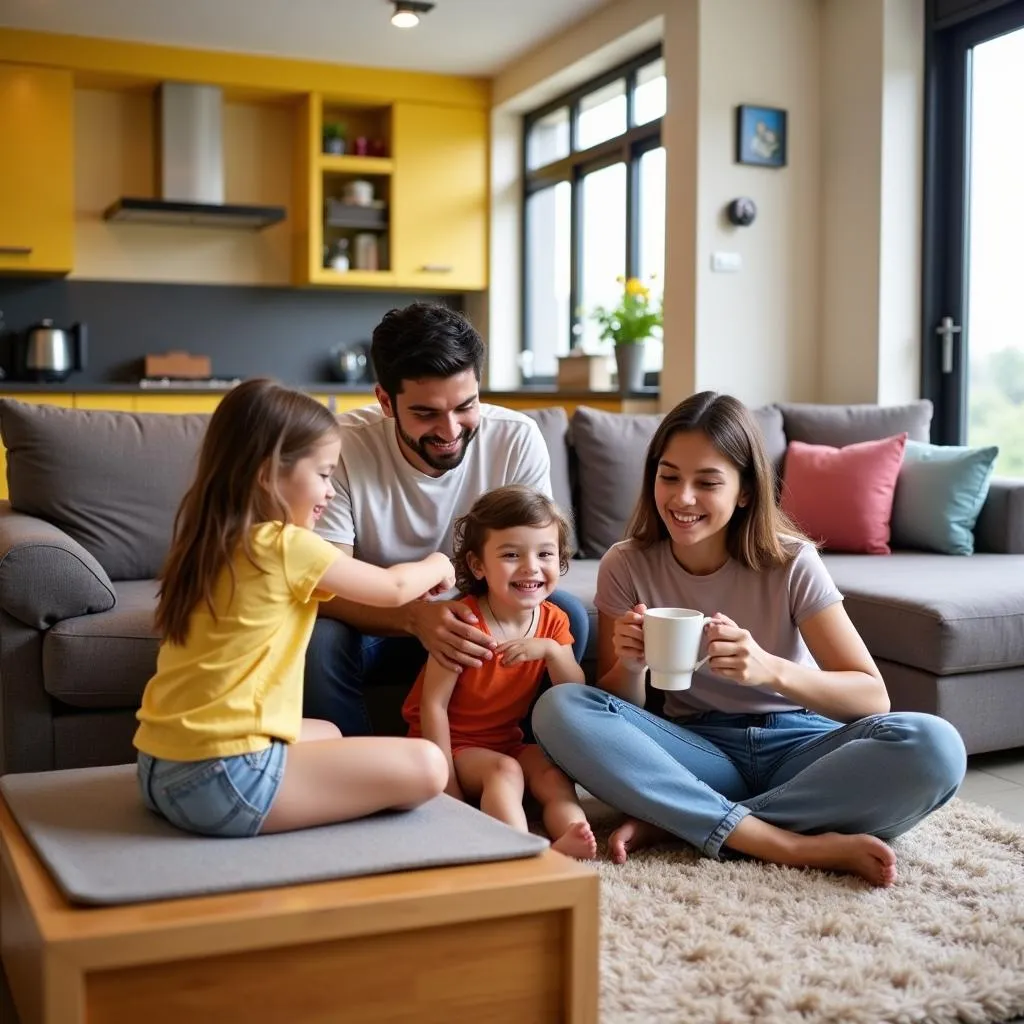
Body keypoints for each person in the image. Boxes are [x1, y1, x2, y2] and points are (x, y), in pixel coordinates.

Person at [532, 391, 967, 886]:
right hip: (695, 747)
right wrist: (631, 668)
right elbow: (617, 707)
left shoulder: (792, 561)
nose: (682, 498)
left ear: (743, 491)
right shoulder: (626, 563)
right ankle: (781, 841)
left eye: (707, 482)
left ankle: (685, 819)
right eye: (668, 476)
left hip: (800, 749)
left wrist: (771, 670)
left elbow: (871, 696)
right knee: (560, 706)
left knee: (936, 746)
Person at [134, 378, 454, 838]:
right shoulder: (286, 545)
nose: (329, 491)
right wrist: (438, 562)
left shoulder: (208, 542)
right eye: (323, 474)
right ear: (267, 474)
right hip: (224, 782)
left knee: (329, 733)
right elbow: (392, 587)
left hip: (160, 767)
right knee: (429, 765)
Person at [305, 302, 589, 736]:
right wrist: (415, 617)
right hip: (381, 624)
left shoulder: (516, 439)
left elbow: (540, 555)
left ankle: (529, 752)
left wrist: (464, 612)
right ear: (385, 401)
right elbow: (326, 585)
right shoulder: (343, 446)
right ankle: (362, 771)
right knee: (322, 642)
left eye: (464, 406)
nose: (451, 429)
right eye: (426, 413)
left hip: (484, 618)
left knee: (568, 615)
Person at [403, 485, 597, 860]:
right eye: (511, 555)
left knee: (551, 773)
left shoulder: (554, 622)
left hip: (505, 739)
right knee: (505, 771)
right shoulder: (465, 622)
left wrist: (552, 654)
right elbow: (433, 706)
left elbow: (575, 693)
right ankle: (520, 853)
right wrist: (449, 785)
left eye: (545, 554)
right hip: (454, 746)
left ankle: (574, 831)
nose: (531, 567)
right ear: (479, 566)